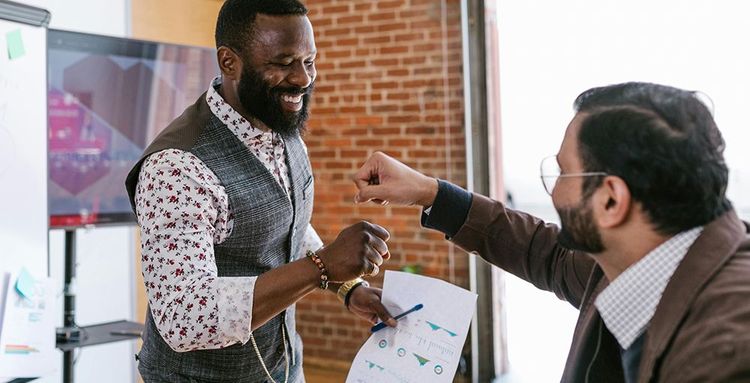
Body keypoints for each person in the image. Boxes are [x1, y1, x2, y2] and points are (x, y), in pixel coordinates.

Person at [353, 82, 750, 382]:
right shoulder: (640, 257)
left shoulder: (725, 351)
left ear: (611, 200)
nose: (555, 190)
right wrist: (429, 191)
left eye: (563, 172)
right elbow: (547, 253)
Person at [125, 1, 395, 382]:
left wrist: (348, 287)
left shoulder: (280, 127)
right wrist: (322, 266)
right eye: (282, 63)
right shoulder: (176, 168)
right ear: (229, 62)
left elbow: (284, 226)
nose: (302, 78)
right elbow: (184, 318)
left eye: (309, 61)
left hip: (282, 369)